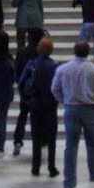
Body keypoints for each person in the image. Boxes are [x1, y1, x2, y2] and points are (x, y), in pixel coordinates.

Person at [51, 39, 94, 188]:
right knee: (93, 143)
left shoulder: (63, 69)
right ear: (88, 52)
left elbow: (54, 88)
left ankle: (69, 181)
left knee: (71, 145)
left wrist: (63, 100)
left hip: (71, 108)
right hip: (90, 108)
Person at [21, 36, 60, 178]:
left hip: (35, 103)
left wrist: (26, 98)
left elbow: (21, 81)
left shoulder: (32, 64)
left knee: (36, 136)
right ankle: (51, 166)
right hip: (50, 103)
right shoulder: (55, 66)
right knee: (51, 136)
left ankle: (35, 166)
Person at [11, 28, 45, 158]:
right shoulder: (41, 52)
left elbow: (17, 70)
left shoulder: (22, 52)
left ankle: (18, 140)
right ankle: (41, 139)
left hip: (25, 88)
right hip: (38, 90)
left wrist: (21, 86)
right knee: (39, 116)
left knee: (23, 114)